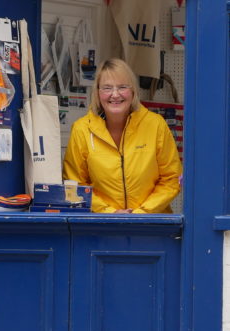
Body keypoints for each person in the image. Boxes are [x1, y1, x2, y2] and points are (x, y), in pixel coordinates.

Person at [62, 58, 181, 214]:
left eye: (122, 87)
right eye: (107, 88)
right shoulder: (81, 130)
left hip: (151, 225)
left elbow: (172, 179)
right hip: (102, 227)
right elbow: (73, 185)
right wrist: (109, 213)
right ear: (97, 92)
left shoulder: (156, 125)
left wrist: (141, 214)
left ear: (133, 91)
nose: (115, 94)